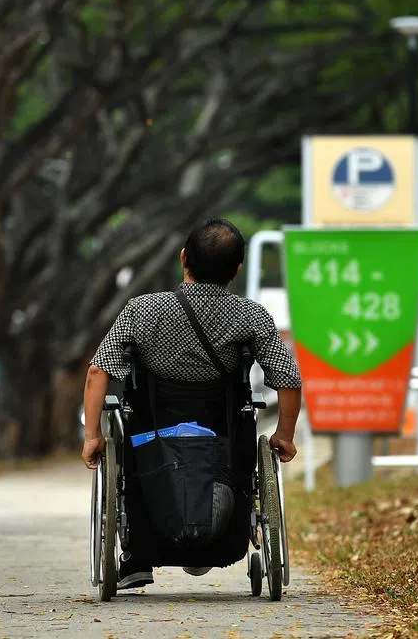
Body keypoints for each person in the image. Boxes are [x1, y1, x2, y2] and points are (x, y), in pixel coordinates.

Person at [80, 217, 302, 591]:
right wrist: (284, 435)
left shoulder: (141, 311)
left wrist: (92, 436)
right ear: (236, 270)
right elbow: (288, 380)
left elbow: (97, 372)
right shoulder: (250, 316)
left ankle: (139, 555)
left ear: (183, 258)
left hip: (149, 440)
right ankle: (219, 535)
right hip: (225, 437)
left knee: (132, 432)